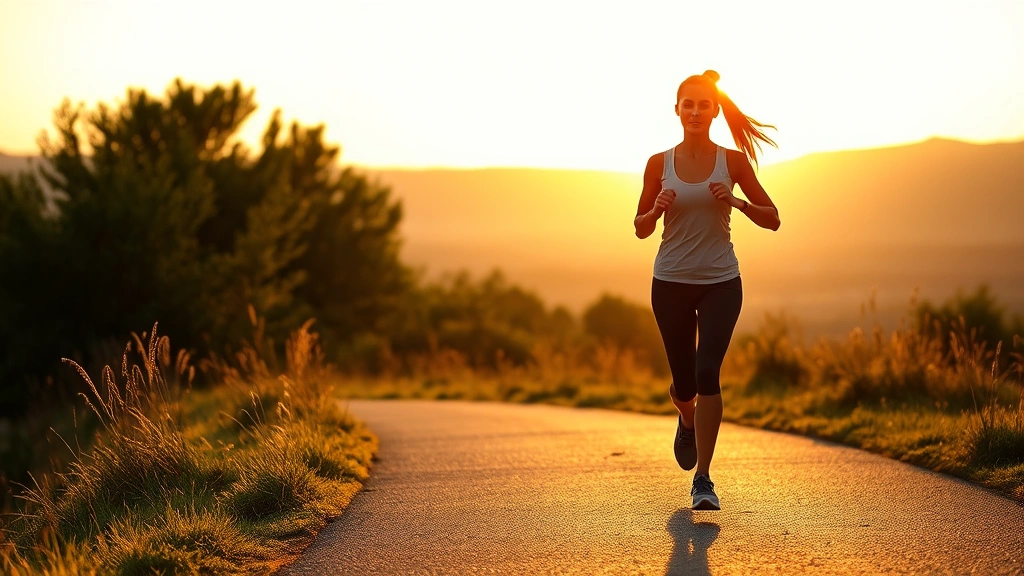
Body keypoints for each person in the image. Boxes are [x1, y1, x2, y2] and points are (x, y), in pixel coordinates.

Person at [633, 70, 781, 510]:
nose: (695, 111)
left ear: (715, 110)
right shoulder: (658, 164)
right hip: (670, 283)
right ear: (676, 110)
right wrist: (655, 211)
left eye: (704, 104)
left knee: (706, 374)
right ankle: (686, 419)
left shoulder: (732, 162)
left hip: (721, 281)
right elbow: (640, 229)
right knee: (683, 385)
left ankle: (703, 479)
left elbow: (772, 217)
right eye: (688, 104)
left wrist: (735, 202)